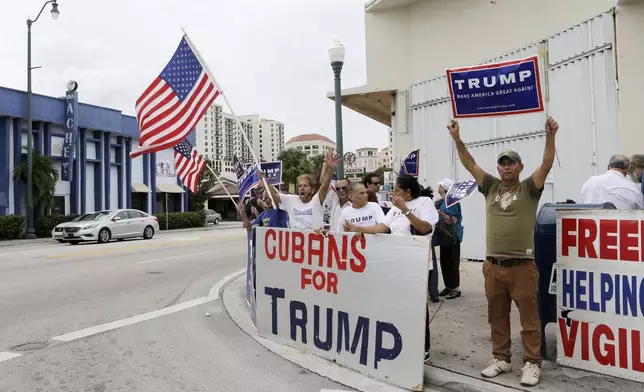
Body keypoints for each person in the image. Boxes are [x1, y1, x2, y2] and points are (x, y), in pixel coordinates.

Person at [447, 117, 559, 387]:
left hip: (522, 266)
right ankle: (502, 358)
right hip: (493, 267)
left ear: (520, 167)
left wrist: (550, 136)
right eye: (503, 163)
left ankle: (532, 363)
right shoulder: (491, 187)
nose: (506, 167)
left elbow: (545, 164)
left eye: (511, 163)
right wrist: (457, 139)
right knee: (496, 317)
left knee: (530, 319)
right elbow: (470, 164)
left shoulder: (529, 188)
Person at [344, 174, 438, 363]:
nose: (393, 194)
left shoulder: (424, 202)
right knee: (399, 305)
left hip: (416, 264)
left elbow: (424, 229)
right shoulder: (395, 208)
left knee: (418, 307)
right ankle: (404, 343)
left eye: (397, 190)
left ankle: (423, 347)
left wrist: (406, 210)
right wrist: (359, 229)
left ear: (408, 192)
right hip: (397, 263)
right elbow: (382, 227)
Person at [263, 150, 340, 230]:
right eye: (300, 186)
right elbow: (274, 197)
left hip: (315, 242)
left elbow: (325, 185)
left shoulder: (317, 200)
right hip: (296, 242)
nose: (302, 188)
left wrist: (330, 167)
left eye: (305, 185)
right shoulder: (291, 199)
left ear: (312, 190)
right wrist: (264, 180)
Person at [434, 178, 464, 300]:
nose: (438, 187)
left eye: (440, 185)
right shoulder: (443, 201)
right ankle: (448, 286)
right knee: (444, 262)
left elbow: (453, 220)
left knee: (452, 263)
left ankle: (455, 288)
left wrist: (442, 214)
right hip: (444, 236)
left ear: (444, 188)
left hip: (452, 236)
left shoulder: (453, 202)